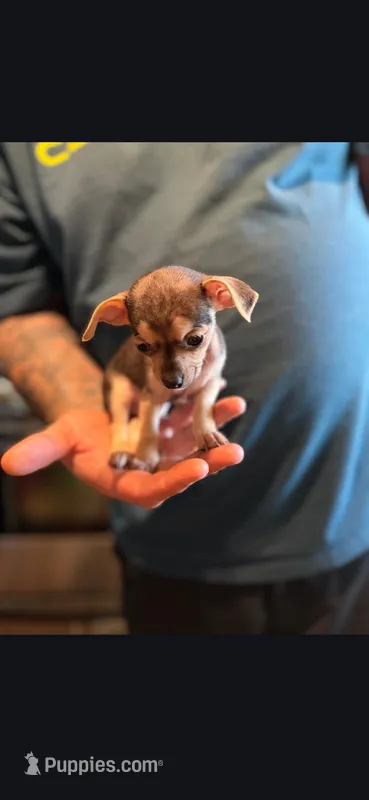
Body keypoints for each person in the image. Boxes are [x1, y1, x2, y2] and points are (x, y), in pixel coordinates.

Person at [1, 141, 369, 635]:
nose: (173, 370)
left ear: (226, 298)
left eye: (192, 341)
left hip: (346, 505)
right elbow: (12, 298)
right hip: (179, 543)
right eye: (149, 347)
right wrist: (117, 422)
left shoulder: (217, 319)